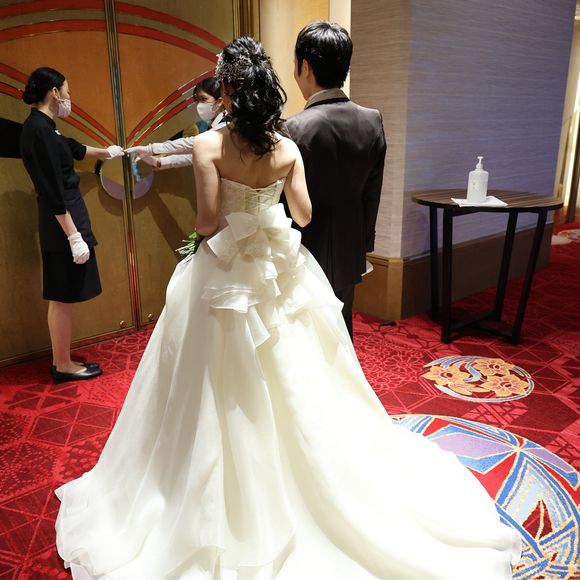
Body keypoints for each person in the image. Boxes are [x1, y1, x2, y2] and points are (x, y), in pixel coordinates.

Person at [54, 38, 520, 579]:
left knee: (212, 379)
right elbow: (303, 214)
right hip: (280, 266)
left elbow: (207, 222)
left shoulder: (208, 145)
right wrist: (265, 206)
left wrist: (231, 215)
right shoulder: (286, 147)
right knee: (302, 370)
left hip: (227, 272)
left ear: (228, 89)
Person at [20, 67, 124, 382]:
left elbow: (73, 148)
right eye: (67, 91)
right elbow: (51, 190)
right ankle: (63, 365)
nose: (69, 98)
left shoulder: (46, 127)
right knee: (62, 296)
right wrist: (74, 236)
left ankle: (62, 360)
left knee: (63, 296)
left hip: (66, 219)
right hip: (62, 224)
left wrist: (108, 152)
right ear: (54, 93)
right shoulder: (38, 130)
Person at [286, 20, 386, 338]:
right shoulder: (372, 120)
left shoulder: (293, 129)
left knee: (306, 337)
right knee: (341, 332)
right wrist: (364, 243)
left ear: (305, 66)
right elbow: (372, 190)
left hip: (303, 252)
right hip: (349, 247)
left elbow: (284, 203)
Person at [125, 76, 226, 170]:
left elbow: (193, 143)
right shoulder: (213, 124)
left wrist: (151, 149)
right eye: (197, 100)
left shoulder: (224, 126)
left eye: (203, 99)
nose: (199, 105)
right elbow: (197, 154)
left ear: (219, 101)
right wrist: (159, 162)